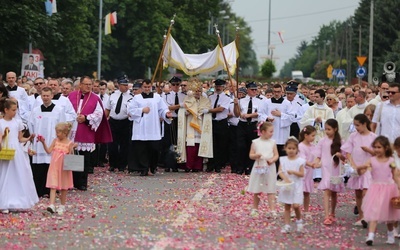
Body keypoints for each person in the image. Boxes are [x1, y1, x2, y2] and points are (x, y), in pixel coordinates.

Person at [68, 76, 112, 190]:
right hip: (72, 130)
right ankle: (71, 182)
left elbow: (99, 114)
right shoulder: (71, 95)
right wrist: (73, 117)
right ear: (80, 85)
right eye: (86, 84)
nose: (88, 86)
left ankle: (82, 183)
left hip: (85, 131)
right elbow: (65, 110)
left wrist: (86, 118)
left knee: (84, 158)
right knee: (71, 156)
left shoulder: (95, 98)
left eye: (90, 84)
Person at [358, 136, 400, 246]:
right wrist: (360, 168)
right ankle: (370, 236)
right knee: (374, 212)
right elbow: (362, 171)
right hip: (375, 189)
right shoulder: (371, 160)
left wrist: (399, 185)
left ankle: (390, 234)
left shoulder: (391, 161)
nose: (376, 149)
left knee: (389, 214)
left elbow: (395, 175)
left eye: (379, 147)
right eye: (375, 147)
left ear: (386, 148)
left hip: (389, 189)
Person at [127, 79, 173, 176]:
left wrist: (166, 114)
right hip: (141, 127)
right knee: (142, 150)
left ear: (151, 87)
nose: (147, 89)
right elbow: (131, 111)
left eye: (149, 87)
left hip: (153, 128)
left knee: (154, 149)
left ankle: (152, 167)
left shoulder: (157, 97)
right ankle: (144, 168)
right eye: (145, 87)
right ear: (142, 87)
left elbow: (162, 109)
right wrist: (142, 110)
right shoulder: (137, 98)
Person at [0, 98, 38, 214]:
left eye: (16, 110)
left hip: (16, 150)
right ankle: (4, 202)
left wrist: (29, 138)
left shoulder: (17, 122)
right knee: (5, 175)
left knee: (18, 175)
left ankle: (18, 200)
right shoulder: (1, 122)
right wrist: (4, 136)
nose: (15, 112)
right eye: (13, 110)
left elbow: (20, 138)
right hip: (6, 149)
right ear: (6, 110)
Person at [28, 87, 67, 198]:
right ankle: (39, 190)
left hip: (52, 142)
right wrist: (34, 136)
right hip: (39, 143)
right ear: (41, 96)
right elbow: (31, 124)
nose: (45, 98)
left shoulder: (59, 110)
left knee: (52, 167)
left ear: (51, 96)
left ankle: (51, 190)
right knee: (39, 168)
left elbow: (62, 125)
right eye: (43, 96)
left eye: (47, 95)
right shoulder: (35, 110)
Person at [341, 114, 376, 228]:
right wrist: (353, 164)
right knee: (358, 193)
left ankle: (367, 215)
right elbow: (348, 152)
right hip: (356, 167)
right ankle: (361, 217)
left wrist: (368, 150)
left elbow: (378, 154)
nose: (356, 128)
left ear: (364, 124)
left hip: (368, 167)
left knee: (366, 191)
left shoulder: (373, 137)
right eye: (355, 125)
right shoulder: (353, 136)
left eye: (358, 125)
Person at [38, 122, 75, 215]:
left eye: (58, 132)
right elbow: (48, 151)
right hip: (54, 166)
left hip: (64, 168)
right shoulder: (55, 141)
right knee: (53, 186)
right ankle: (52, 204)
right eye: (56, 132)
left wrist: (71, 149)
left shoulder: (69, 143)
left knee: (64, 187)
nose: (56, 134)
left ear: (65, 133)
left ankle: (62, 205)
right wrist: (43, 142)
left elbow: (71, 157)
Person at [176, 79, 213, 172]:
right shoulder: (188, 100)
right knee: (191, 146)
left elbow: (208, 110)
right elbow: (182, 111)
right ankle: (188, 166)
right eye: (196, 91)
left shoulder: (205, 100)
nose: (198, 93)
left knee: (200, 146)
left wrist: (205, 112)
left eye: (199, 91)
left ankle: (198, 166)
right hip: (190, 125)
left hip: (201, 124)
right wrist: (187, 112)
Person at [312, 119, 344, 225]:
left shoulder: (340, 141)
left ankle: (332, 213)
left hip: (335, 168)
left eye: (329, 129)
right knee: (327, 190)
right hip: (325, 168)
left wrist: (341, 156)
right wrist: (315, 162)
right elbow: (318, 154)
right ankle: (326, 215)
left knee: (334, 192)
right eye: (326, 129)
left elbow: (345, 157)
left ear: (335, 129)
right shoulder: (322, 140)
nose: (327, 131)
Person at [301, 89, 334, 182]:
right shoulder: (311, 109)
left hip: (323, 136)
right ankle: (313, 175)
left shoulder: (329, 110)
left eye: (317, 97)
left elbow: (332, 122)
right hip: (313, 136)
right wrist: (313, 121)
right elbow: (303, 121)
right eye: (314, 96)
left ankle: (322, 174)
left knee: (323, 154)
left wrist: (322, 122)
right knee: (313, 154)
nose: (314, 98)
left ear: (322, 98)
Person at [246, 122, 279, 217]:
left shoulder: (272, 142)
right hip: (259, 165)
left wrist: (272, 160)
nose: (272, 133)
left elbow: (276, 155)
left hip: (270, 166)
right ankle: (255, 208)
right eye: (270, 131)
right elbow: (250, 155)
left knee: (271, 188)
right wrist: (255, 155)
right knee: (257, 187)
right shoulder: (255, 142)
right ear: (263, 132)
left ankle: (272, 209)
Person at [234, 81, 267, 175]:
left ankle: (250, 167)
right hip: (242, 125)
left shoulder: (260, 101)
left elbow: (260, 113)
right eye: (252, 90)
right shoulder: (241, 100)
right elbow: (237, 114)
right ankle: (240, 167)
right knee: (241, 146)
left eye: (255, 89)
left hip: (253, 124)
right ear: (247, 90)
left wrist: (249, 115)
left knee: (252, 146)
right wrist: (235, 105)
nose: (254, 91)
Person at [105, 76, 133, 172]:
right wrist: (104, 119)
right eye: (124, 85)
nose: (126, 87)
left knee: (124, 145)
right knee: (112, 144)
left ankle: (122, 164)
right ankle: (113, 164)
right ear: (119, 85)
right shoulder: (112, 95)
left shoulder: (131, 97)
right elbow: (108, 109)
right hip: (113, 121)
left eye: (127, 85)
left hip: (125, 122)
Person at [278, 137, 306, 233]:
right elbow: (280, 171)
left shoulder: (300, 161)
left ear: (297, 149)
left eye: (293, 149)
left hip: (297, 185)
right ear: (285, 148)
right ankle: (287, 225)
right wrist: (285, 179)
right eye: (289, 148)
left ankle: (299, 221)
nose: (291, 150)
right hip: (287, 185)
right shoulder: (283, 160)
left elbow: (302, 174)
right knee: (287, 205)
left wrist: (294, 172)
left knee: (296, 205)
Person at [206, 79, 231, 173]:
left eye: (220, 86)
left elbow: (221, 109)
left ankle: (219, 165)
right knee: (212, 144)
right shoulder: (210, 97)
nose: (218, 88)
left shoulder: (226, 97)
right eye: (217, 86)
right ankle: (211, 164)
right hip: (212, 121)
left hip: (221, 122)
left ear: (223, 87)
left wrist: (209, 110)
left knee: (221, 144)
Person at [298, 125, 317, 218]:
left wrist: (317, 163)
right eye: (312, 135)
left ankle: (306, 210)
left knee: (307, 192)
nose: (314, 138)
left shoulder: (313, 146)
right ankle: (296, 209)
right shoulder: (301, 146)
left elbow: (317, 156)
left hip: (309, 172)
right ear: (306, 135)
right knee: (299, 191)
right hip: (302, 171)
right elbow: (302, 160)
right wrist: (311, 164)